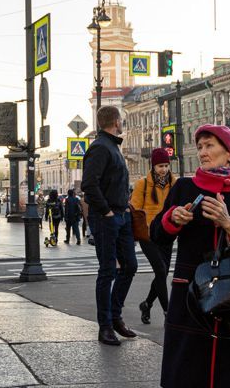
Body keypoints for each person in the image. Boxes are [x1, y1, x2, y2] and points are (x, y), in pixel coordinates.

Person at [151, 125, 230, 388]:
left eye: (210, 146)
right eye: (200, 146)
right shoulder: (183, 188)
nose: (203, 152)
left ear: (229, 154)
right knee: (187, 371)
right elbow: (157, 234)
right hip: (191, 296)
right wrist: (172, 219)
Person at [82, 105, 138, 345]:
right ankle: (105, 326)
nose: (122, 123)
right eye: (121, 120)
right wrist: (106, 212)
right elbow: (89, 185)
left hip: (121, 215)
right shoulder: (99, 148)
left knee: (130, 266)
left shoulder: (112, 146)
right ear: (116, 121)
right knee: (108, 271)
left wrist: (124, 207)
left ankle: (115, 316)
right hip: (107, 218)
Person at [131, 148, 174, 325]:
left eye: (165, 165)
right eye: (159, 166)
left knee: (161, 275)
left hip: (167, 234)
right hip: (148, 235)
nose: (163, 169)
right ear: (153, 166)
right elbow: (135, 209)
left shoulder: (174, 183)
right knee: (161, 271)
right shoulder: (143, 184)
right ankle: (168, 313)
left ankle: (147, 304)